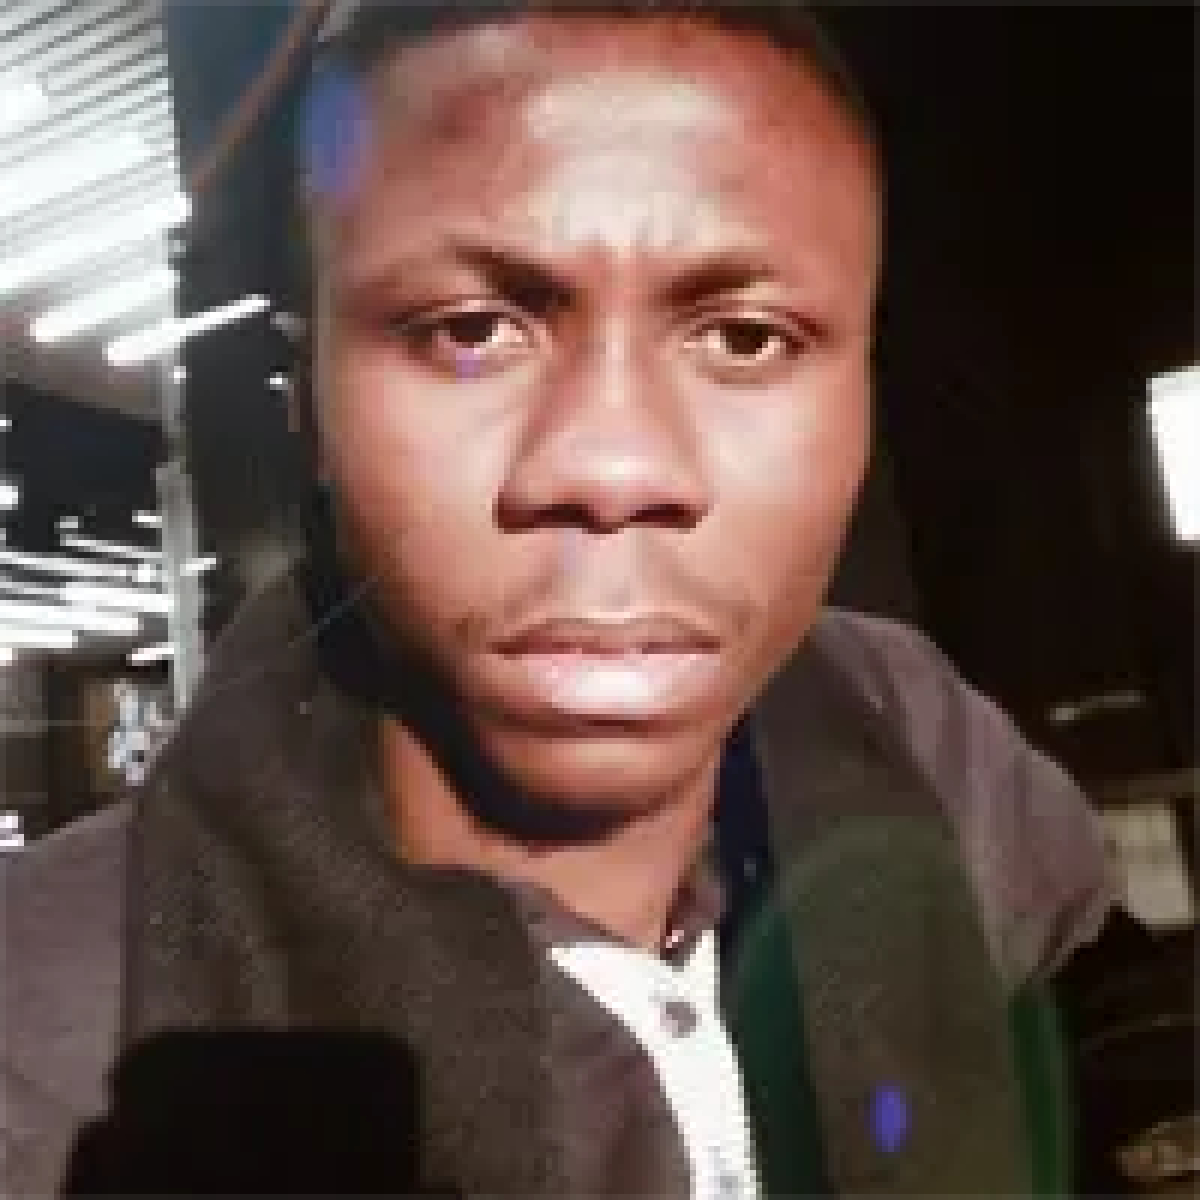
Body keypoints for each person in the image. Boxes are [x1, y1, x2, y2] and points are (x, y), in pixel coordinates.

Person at [2, 3, 1119, 1195]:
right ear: (308, 408)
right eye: (471, 330)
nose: (612, 468)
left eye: (746, 338)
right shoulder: (44, 1051)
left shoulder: (930, 750)